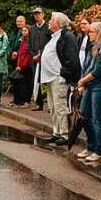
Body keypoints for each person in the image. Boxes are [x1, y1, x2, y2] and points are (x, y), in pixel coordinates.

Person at [39, 12, 81, 143]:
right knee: (52, 106)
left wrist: (64, 73)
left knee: (60, 105)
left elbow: (72, 59)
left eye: (51, 20)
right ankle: (56, 131)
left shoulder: (67, 36)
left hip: (58, 76)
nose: (49, 22)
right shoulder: (55, 36)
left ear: (57, 23)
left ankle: (65, 134)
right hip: (50, 76)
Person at [77, 21, 101, 162]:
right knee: (84, 115)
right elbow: (86, 65)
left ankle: (99, 149)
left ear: (99, 33)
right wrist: (82, 82)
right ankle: (91, 145)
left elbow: (99, 70)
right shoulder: (92, 46)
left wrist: (83, 81)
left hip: (100, 85)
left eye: (92, 31)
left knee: (97, 118)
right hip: (89, 85)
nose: (89, 34)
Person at [28, 7, 50, 110]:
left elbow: (51, 43)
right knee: (36, 81)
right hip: (35, 59)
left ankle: (51, 104)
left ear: (43, 14)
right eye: (35, 14)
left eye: (39, 13)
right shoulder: (32, 29)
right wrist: (34, 56)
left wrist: (42, 55)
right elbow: (29, 45)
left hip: (46, 59)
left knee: (48, 82)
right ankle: (39, 103)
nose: (37, 16)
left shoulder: (48, 27)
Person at [6, 15, 27, 104]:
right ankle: (16, 99)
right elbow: (9, 43)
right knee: (14, 80)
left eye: (20, 21)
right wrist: (11, 53)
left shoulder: (26, 31)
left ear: (24, 22)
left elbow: (25, 46)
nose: (19, 23)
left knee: (22, 80)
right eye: (17, 21)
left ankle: (22, 100)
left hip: (22, 60)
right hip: (14, 59)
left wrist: (17, 53)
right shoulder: (14, 32)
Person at [13, 24, 33, 106]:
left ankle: (26, 101)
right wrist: (18, 65)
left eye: (25, 31)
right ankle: (20, 100)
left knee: (28, 84)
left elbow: (28, 55)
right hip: (20, 66)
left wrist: (22, 66)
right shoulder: (22, 40)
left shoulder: (30, 41)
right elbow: (20, 53)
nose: (23, 32)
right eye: (23, 31)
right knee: (21, 84)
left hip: (27, 66)